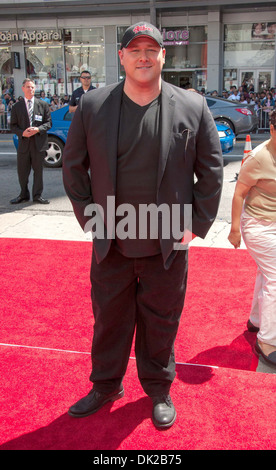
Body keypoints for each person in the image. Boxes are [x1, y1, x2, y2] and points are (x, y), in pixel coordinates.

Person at [62, 22, 223, 428]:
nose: (144, 56)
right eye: (135, 50)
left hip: (167, 247)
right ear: (122, 57)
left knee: (161, 323)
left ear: (163, 56)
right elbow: (73, 165)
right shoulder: (94, 106)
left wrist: (196, 224)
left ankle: (158, 389)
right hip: (111, 245)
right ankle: (105, 385)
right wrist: (89, 216)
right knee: (109, 320)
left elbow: (212, 170)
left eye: (152, 49)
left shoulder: (192, 105)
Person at [228, 110, 276, 366]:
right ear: (271, 129)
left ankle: (257, 322)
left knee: (266, 272)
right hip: (258, 226)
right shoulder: (258, 158)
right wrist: (235, 229)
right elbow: (238, 194)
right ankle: (267, 340)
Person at [10, 78, 52, 204]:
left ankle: (37, 195)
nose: (31, 89)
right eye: (28, 87)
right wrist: (22, 133)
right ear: (23, 88)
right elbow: (13, 125)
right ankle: (23, 194)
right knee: (23, 172)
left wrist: (38, 129)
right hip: (24, 145)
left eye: (33, 87)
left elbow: (49, 123)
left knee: (38, 172)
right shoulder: (17, 107)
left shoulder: (43, 104)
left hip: (38, 144)